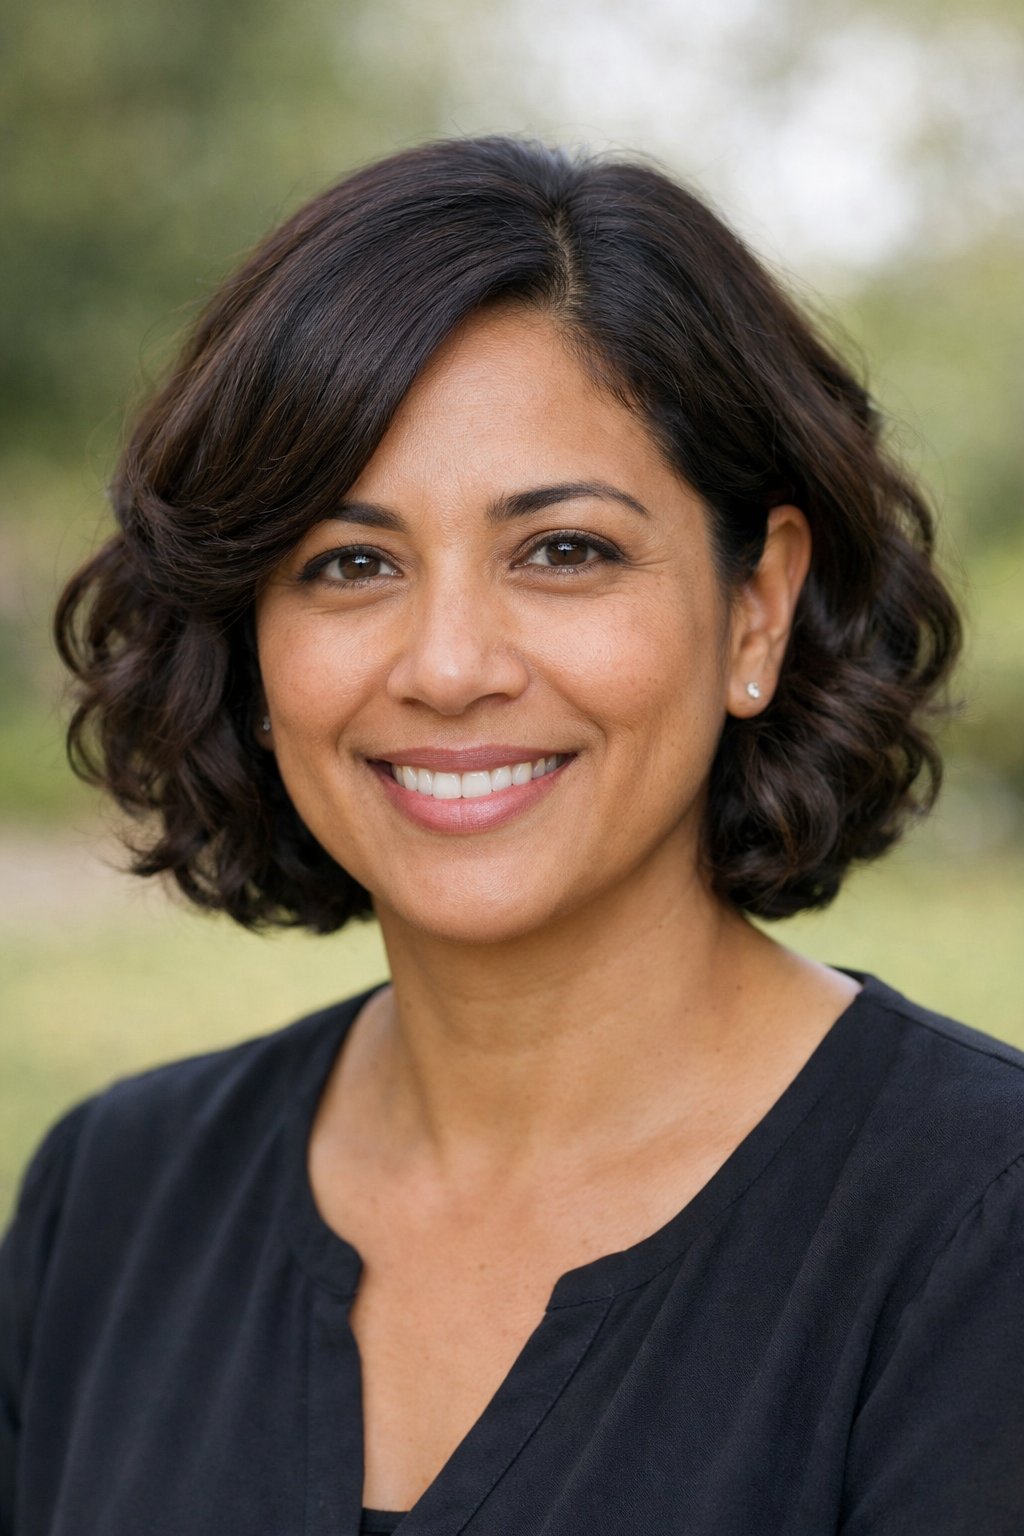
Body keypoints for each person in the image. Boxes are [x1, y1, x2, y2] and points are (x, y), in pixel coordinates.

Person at [2, 133, 1022, 1536]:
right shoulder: (111, 1202)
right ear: (251, 636)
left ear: (756, 607)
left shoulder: (980, 1234)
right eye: (348, 564)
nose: (448, 664)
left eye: (564, 551)